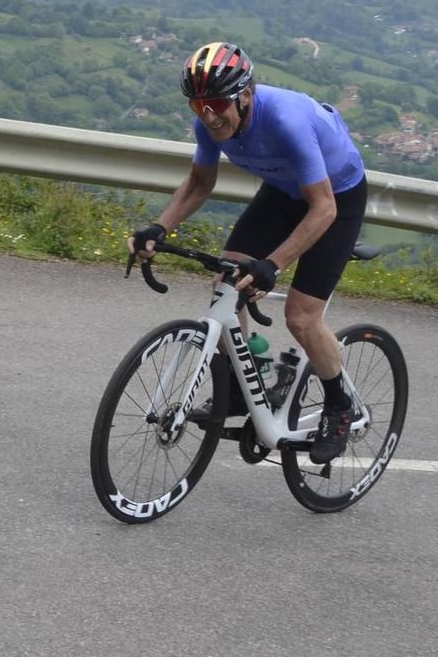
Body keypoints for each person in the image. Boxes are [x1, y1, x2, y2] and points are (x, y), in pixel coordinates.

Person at [128, 41, 371, 463]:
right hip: (281, 194)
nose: (209, 115)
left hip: (336, 199)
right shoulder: (208, 124)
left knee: (301, 316)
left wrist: (273, 264)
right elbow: (200, 185)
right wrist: (159, 226)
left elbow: (324, 208)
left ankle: (340, 407)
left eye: (218, 102)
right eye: (198, 104)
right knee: (226, 283)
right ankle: (250, 382)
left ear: (245, 94)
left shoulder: (287, 121)